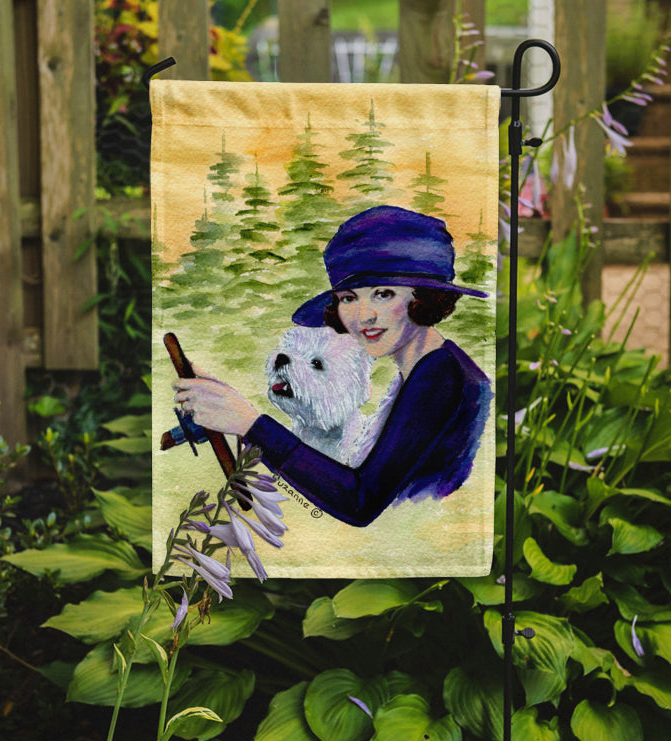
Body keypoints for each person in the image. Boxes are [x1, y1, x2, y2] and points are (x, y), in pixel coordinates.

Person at [173, 205, 493, 528]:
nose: (363, 315)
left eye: (383, 294)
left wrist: (251, 425)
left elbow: (359, 501)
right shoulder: (425, 371)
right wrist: (233, 413)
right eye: (349, 298)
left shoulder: (443, 380)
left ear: (423, 297)